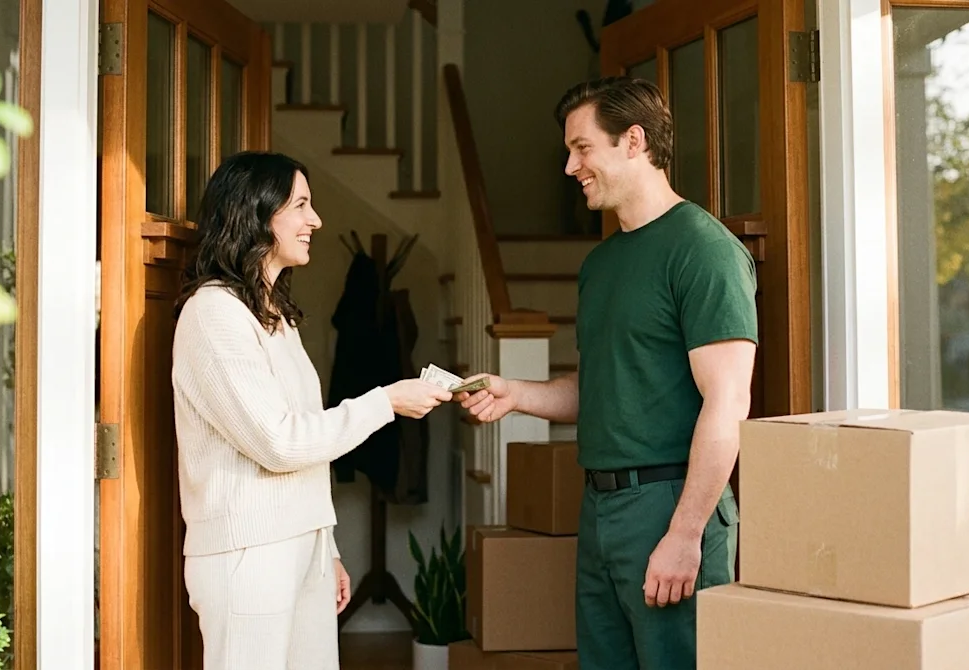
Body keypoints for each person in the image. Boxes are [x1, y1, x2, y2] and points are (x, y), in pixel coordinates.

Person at [457, 78, 757, 669]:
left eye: (582, 148)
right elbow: (601, 390)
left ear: (633, 141)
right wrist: (515, 393)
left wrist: (685, 534)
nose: (570, 167)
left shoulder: (703, 249)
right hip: (599, 509)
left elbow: (728, 402)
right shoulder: (601, 265)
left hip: (670, 503)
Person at [171, 151, 452, 670]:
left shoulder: (276, 314)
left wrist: (327, 546)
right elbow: (280, 442)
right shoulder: (213, 315)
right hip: (247, 557)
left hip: (302, 549)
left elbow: (303, 440)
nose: (315, 221)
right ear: (256, 214)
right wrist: (386, 401)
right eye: (300, 204)